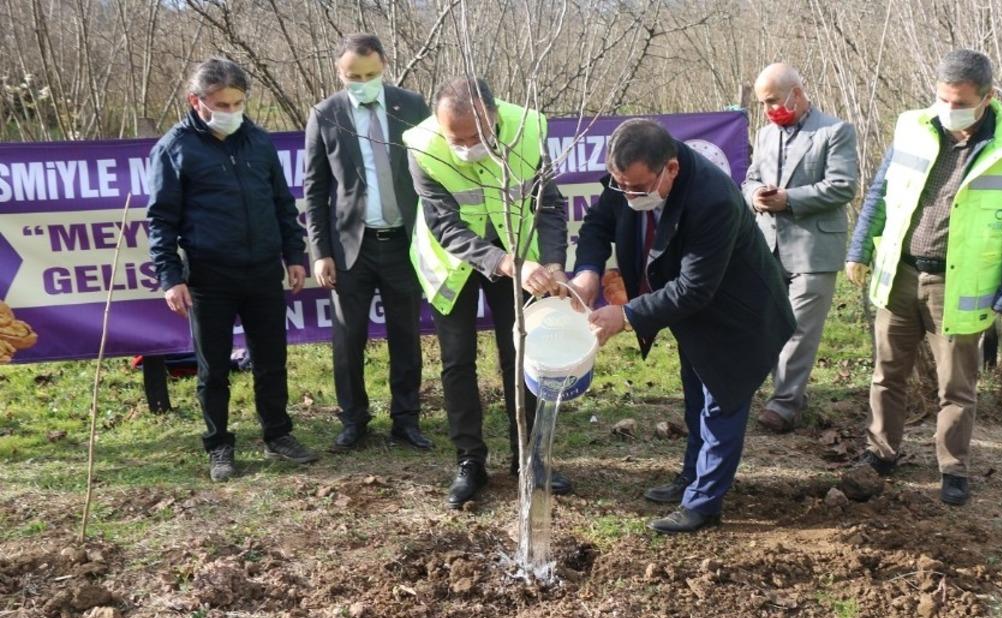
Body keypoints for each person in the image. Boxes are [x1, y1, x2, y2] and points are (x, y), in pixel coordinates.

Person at [572, 119, 795, 533]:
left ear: (670, 169)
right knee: (696, 394)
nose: (628, 195)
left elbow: (695, 287)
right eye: (622, 186)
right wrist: (587, 272)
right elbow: (598, 225)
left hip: (737, 313)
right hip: (692, 311)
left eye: (638, 188)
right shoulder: (629, 172)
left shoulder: (713, 199)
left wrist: (626, 315)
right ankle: (692, 477)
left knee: (720, 400)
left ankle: (704, 504)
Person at [845, 49, 1002, 505]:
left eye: (959, 101)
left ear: (988, 96)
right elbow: (880, 190)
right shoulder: (912, 127)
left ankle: (952, 467)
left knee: (956, 385)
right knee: (886, 373)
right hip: (900, 274)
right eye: (942, 98)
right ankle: (881, 452)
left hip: (959, 287)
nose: (949, 109)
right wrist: (859, 248)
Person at [403, 77, 572, 509]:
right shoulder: (422, 145)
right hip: (454, 260)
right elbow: (444, 226)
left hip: (519, 250)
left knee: (520, 352)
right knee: (457, 361)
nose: (463, 146)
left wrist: (551, 264)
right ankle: (470, 462)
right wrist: (506, 263)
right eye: (453, 138)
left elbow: (549, 203)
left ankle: (529, 460)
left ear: (494, 117)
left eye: (474, 136)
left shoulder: (527, 129)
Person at [147, 57, 318, 482]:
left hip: (262, 271)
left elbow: (282, 203)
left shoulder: (258, 141)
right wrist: (171, 277)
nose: (232, 111)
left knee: (271, 361)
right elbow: (161, 220)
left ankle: (278, 434)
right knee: (213, 368)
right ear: (196, 101)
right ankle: (219, 444)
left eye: (239, 102)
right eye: (222, 103)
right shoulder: (174, 148)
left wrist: (294, 256)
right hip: (209, 276)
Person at [304, 33, 432, 452]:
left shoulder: (412, 106)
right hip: (349, 248)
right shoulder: (325, 114)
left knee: (405, 334)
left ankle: (406, 419)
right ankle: (353, 420)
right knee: (348, 338)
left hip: (403, 243)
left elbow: (433, 172)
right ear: (339, 73)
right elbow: (314, 189)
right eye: (353, 76)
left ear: (384, 67)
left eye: (371, 74)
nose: (363, 82)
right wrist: (320, 252)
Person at [743, 63, 858, 433]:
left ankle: (785, 404)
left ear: (796, 92)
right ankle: (789, 392)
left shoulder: (835, 131)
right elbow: (751, 178)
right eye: (762, 103)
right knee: (771, 323)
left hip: (814, 248)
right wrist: (755, 197)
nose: (767, 110)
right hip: (769, 246)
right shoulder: (764, 136)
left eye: (772, 100)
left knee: (799, 329)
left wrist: (789, 199)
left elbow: (842, 186)